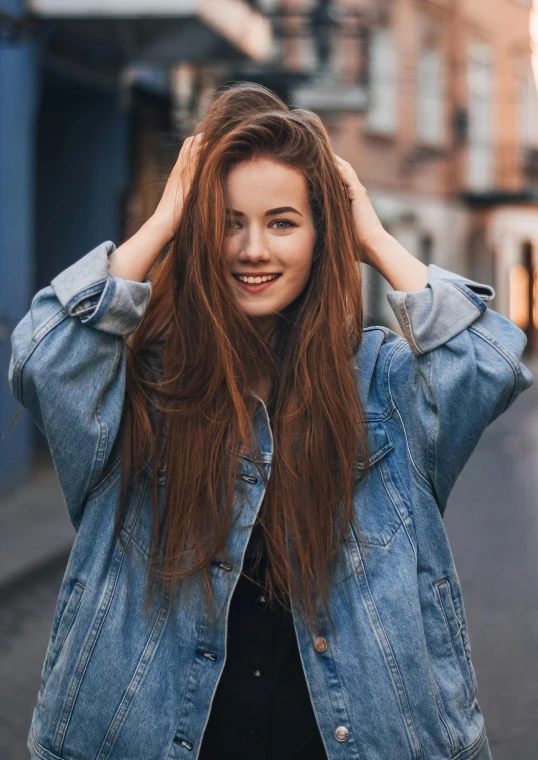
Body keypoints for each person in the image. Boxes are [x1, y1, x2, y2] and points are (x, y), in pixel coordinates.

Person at [8, 82, 533, 760]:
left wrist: (371, 235)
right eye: (228, 222)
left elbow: (488, 363)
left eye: (283, 222)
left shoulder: (383, 389)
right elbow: (43, 357)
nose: (253, 248)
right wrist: (166, 218)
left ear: (322, 234)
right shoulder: (142, 389)